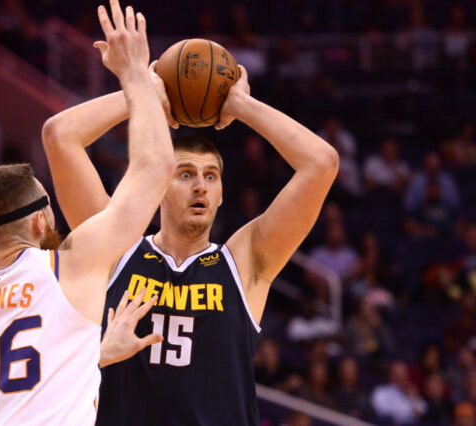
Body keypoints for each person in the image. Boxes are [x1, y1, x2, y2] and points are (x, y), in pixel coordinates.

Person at [43, 44, 339, 424]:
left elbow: (322, 163)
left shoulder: (245, 262)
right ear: (160, 183)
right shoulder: (113, 249)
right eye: (185, 174)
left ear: (220, 195)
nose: (200, 186)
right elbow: (59, 135)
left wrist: (240, 105)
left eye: (210, 177)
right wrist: (142, 92)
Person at [0, 1, 174, 424]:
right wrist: (135, 74)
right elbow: (156, 167)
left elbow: (9, 390)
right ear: (42, 219)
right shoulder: (71, 267)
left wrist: (92, 354)